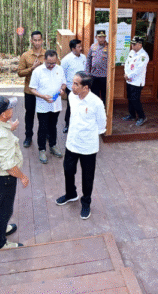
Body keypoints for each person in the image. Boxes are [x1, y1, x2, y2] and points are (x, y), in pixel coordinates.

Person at [55, 72, 106, 220]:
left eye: (76, 84)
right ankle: (71, 194)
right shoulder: (72, 96)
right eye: (72, 83)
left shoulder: (96, 102)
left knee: (87, 176)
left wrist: (88, 135)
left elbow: (102, 125)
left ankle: (86, 202)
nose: (72, 87)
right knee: (68, 170)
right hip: (72, 143)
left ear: (86, 87)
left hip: (88, 147)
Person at [0, 96, 28, 250]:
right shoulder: (2, 136)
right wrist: (22, 176)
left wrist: (10, 128)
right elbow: (9, 167)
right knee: (4, 210)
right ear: (3, 115)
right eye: (10, 108)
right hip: (4, 179)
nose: (12, 109)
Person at [29, 50, 66, 164]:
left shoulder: (59, 69)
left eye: (54, 62)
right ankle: (42, 149)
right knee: (43, 127)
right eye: (49, 62)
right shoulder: (37, 71)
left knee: (53, 126)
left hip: (56, 104)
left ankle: (53, 145)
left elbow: (64, 83)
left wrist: (62, 90)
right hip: (43, 105)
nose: (51, 65)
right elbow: (32, 88)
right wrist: (42, 96)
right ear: (44, 60)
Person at [17, 31, 46, 148]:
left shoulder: (48, 54)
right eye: (35, 40)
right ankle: (28, 136)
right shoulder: (25, 55)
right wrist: (32, 68)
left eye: (39, 40)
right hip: (29, 91)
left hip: (44, 92)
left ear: (42, 41)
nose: (37, 43)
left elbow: (56, 68)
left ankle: (45, 135)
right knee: (29, 114)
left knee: (43, 115)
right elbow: (19, 73)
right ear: (31, 41)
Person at [61, 38, 87, 134]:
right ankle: (67, 125)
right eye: (79, 47)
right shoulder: (66, 60)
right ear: (73, 49)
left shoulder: (84, 57)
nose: (81, 48)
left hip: (83, 87)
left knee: (82, 106)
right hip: (71, 88)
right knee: (71, 107)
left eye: (81, 46)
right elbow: (62, 74)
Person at [123, 36, 149, 126]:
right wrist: (126, 74)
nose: (132, 46)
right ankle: (132, 115)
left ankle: (142, 117)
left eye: (134, 44)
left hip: (137, 82)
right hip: (129, 80)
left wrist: (129, 76)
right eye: (132, 44)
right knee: (130, 99)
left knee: (135, 100)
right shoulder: (132, 52)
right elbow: (127, 63)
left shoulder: (144, 56)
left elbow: (139, 69)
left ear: (140, 45)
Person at [87, 30, 108, 107]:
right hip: (94, 75)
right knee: (94, 95)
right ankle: (95, 109)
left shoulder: (109, 47)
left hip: (104, 76)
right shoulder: (93, 46)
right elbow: (88, 60)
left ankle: (104, 110)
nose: (101, 39)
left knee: (104, 95)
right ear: (96, 37)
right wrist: (87, 73)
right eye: (99, 37)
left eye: (103, 37)